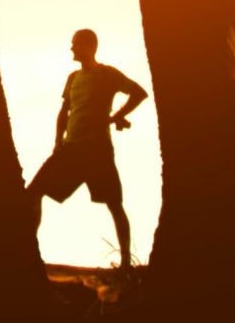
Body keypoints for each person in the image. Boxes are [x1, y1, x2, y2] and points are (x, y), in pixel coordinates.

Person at [26, 28, 149, 268]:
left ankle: (125, 261)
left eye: (76, 44)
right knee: (32, 193)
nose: (71, 48)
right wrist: (57, 141)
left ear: (89, 46)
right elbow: (64, 111)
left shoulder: (107, 74)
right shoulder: (72, 77)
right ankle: (30, 251)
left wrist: (116, 117)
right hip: (70, 149)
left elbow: (139, 93)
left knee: (114, 203)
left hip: (98, 151)